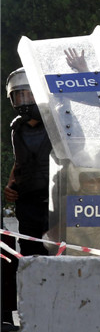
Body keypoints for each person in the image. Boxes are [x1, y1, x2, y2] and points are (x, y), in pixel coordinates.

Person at [4, 68, 51, 256]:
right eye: (20, 96)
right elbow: (20, 161)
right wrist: (10, 184)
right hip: (27, 203)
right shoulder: (17, 128)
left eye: (29, 95)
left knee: (57, 252)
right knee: (30, 254)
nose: (24, 101)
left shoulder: (56, 122)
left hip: (54, 201)